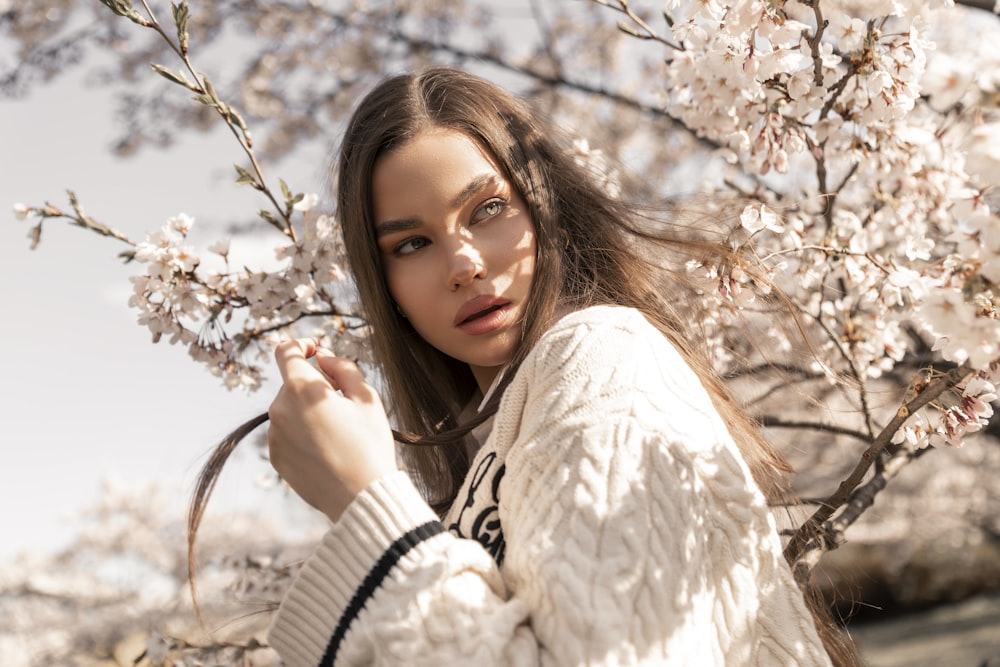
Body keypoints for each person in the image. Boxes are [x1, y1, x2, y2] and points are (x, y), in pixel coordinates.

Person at [194, 67, 858, 666]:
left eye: (487, 210)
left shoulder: (598, 355)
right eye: (412, 242)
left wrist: (367, 502)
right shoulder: (488, 443)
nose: (463, 263)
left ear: (547, 211)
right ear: (384, 283)